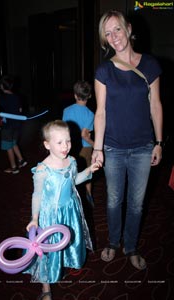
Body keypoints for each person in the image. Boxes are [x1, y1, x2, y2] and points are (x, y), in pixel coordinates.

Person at [92, 10, 163, 270]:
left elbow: (155, 105)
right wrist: (97, 148)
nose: (114, 37)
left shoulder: (150, 65)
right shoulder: (104, 70)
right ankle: (113, 241)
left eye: (117, 30)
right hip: (113, 146)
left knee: (136, 203)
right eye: (107, 33)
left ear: (128, 28)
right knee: (113, 200)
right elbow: (101, 112)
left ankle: (130, 245)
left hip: (144, 148)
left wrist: (159, 142)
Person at [24, 120, 101, 300]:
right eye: (59, 142)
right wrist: (35, 218)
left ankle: (63, 263)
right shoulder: (43, 169)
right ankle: (46, 289)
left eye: (68, 141)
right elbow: (37, 195)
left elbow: (75, 180)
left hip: (70, 209)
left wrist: (90, 169)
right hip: (50, 215)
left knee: (68, 239)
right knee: (47, 248)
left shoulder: (72, 160)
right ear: (47, 144)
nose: (65, 146)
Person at [62, 80, 95, 205]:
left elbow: (65, 130)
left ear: (75, 95)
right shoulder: (90, 114)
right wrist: (95, 145)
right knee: (87, 170)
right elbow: (85, 136)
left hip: (70, 146)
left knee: (71, 170)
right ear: (90, 96)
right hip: (85, 147)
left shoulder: (66, 110)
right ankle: (89, 194)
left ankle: (72, 197)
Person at [0, 75, 27, 174]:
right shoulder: (17, 97)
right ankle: (21, 160)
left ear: (2, 86)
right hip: (17, 126)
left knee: (8, 146)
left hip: (7, 127)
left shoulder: (2, 98)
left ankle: (14, 168)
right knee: (13, 143)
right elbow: (20, 110)